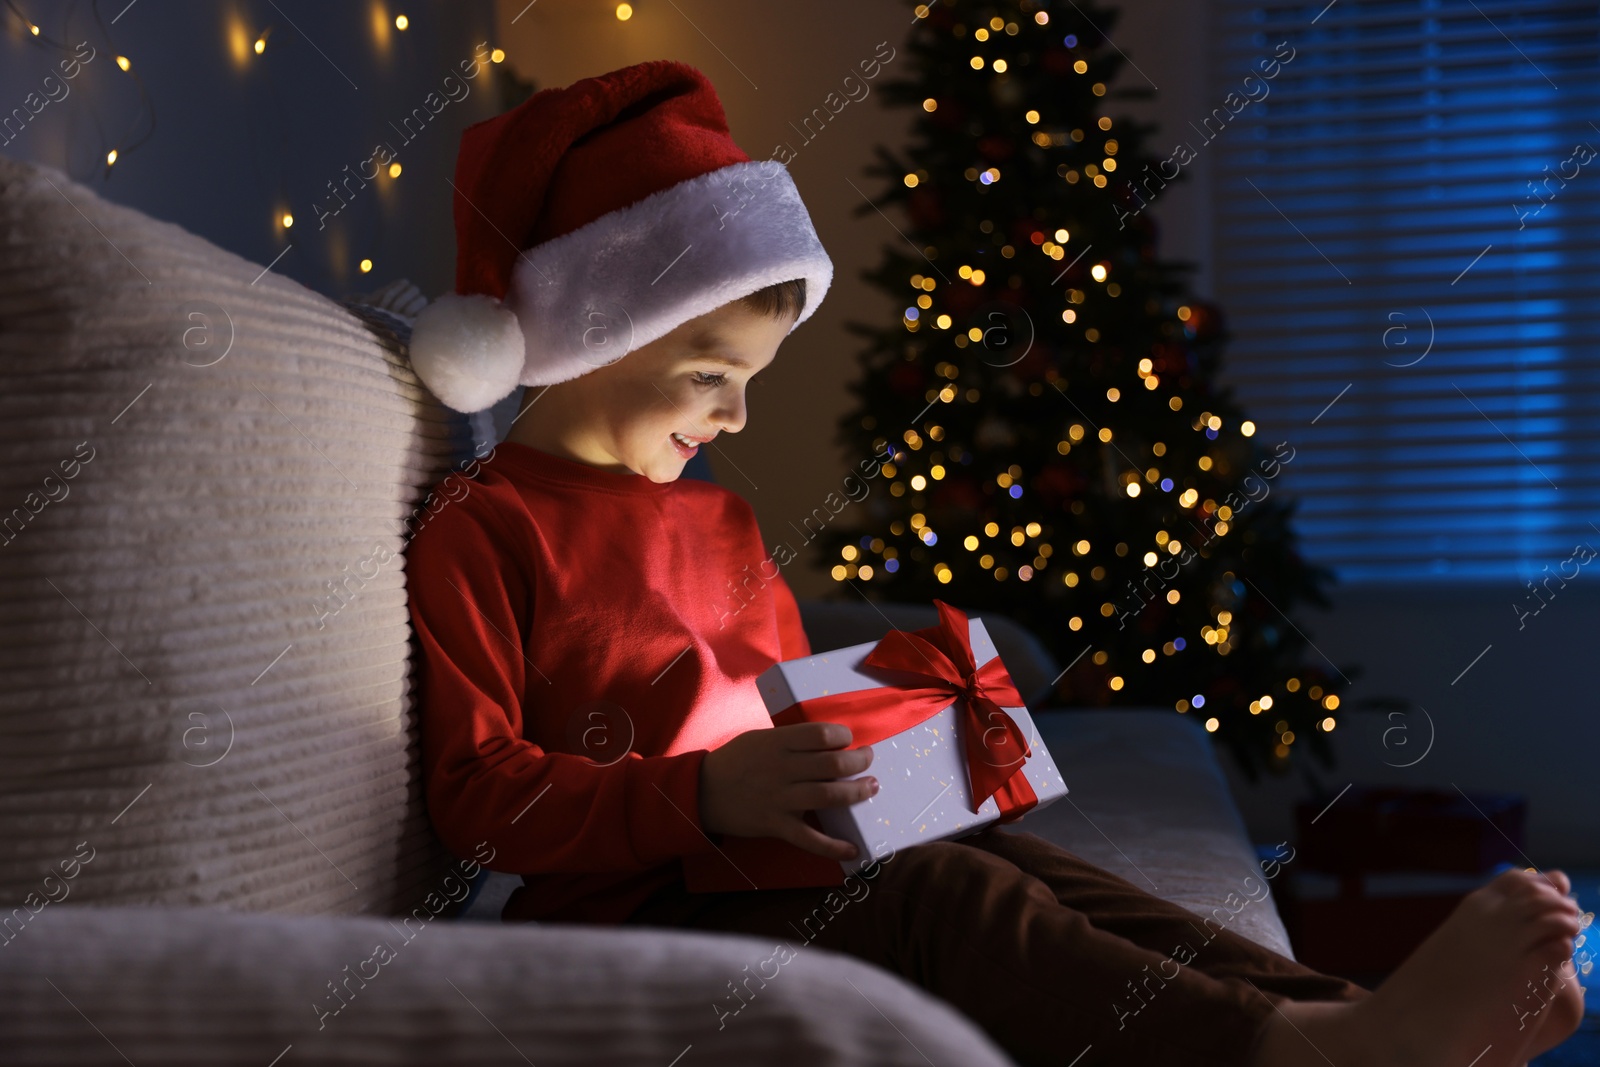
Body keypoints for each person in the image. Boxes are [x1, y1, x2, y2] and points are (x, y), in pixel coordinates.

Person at [404, 60, 1585, 1067]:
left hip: (759, 871)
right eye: (714, 375)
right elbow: (478, 797)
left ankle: (1344, 1015)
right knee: (940, 899)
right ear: (594, 334)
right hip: (639, 915)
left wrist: (899, 751)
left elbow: (780, 727)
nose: (737, 416)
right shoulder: (487, 522)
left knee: (1008, 858)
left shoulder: (715, 523)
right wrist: (702, 795)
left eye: (750, 382)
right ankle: (1293, 1052)